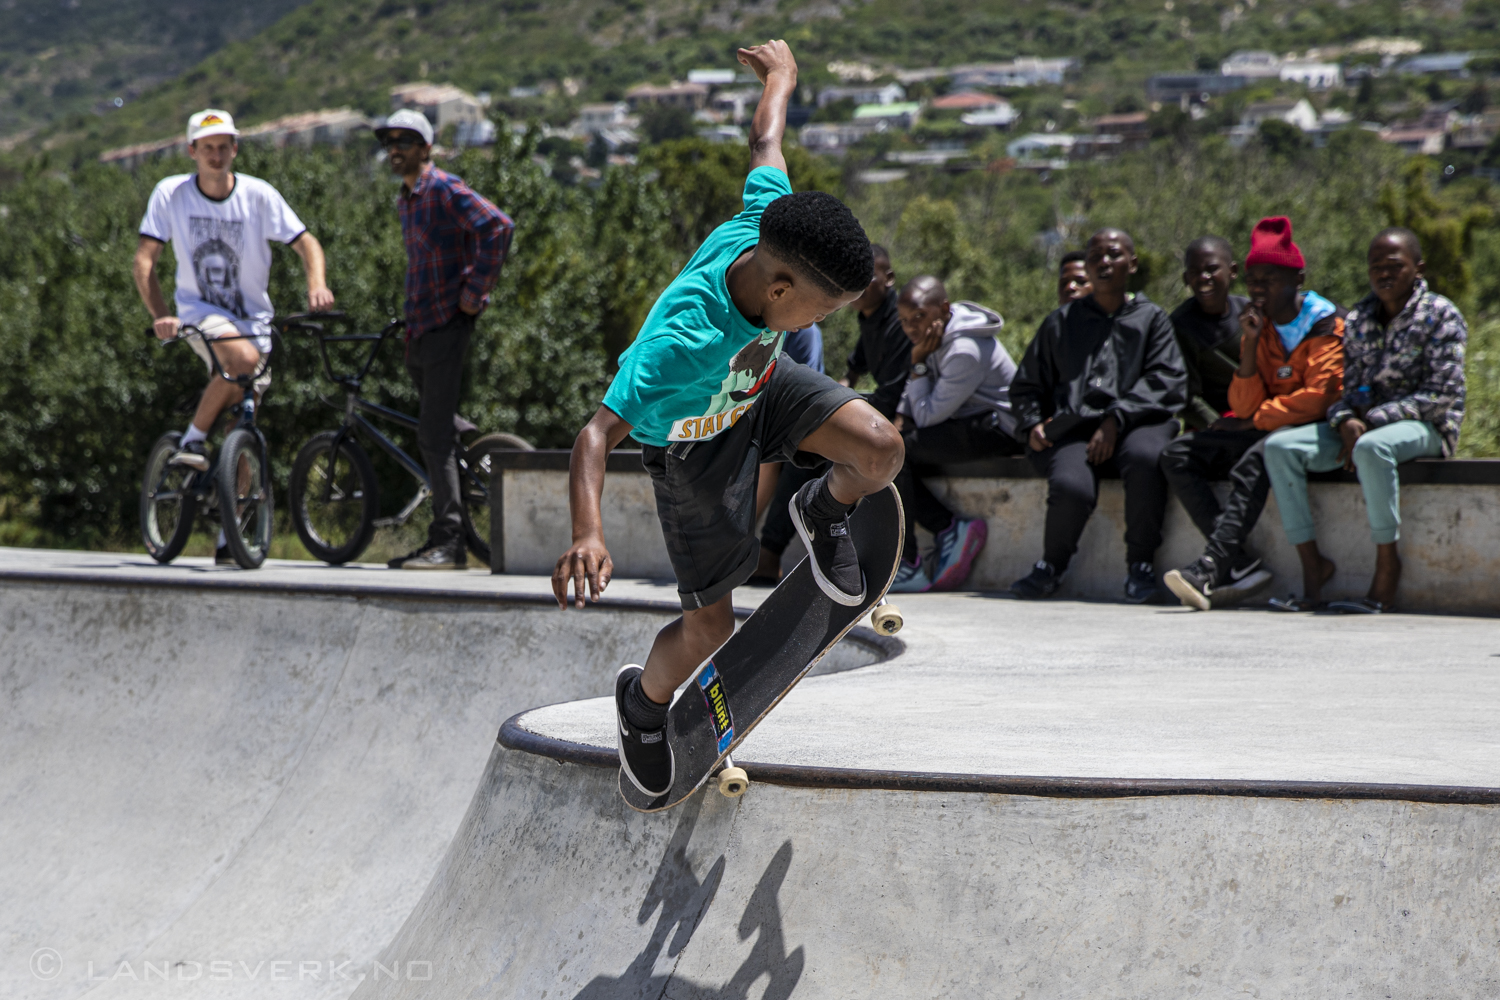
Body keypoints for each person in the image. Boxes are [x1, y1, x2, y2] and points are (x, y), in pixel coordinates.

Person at [551, 40, 902, 798]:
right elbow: (592, 435)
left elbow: (764, 141)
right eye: (824, 306)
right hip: (692, 453)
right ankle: (642, 708)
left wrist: (782, 76)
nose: (828, 318)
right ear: (780, 290)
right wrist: (588, 531)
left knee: (880, 449)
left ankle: (822, 505)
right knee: (711, 631)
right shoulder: (681, 342)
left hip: (761, 390)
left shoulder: (764, 222)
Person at [134, 109, 334, 563]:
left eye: (224, 146)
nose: (217, 155)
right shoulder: (172, 194)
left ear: (235, 150)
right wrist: (162, 315)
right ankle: (190, 441)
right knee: (238, 361)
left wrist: (316, 284)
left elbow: (306, 242)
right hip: (200, 315)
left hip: (254, 322)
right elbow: (144, 262)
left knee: (243, 431)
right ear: (193, 152)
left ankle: (230, 535)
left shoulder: (258, 196)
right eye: (208, 148)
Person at [1264, 227, 1466, 613]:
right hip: (1362, 429)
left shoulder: (1441, 315)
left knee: (1373, 448)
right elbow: (1348, 388)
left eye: (1394, 266)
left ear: (1417, 268)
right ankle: (1313, 569)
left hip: (1426, 428)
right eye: (1376, 268)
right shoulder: (1358, 318)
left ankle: (1387, 566)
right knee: (1280, 447)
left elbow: (1442, 395)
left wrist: (1370, 421)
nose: (1384, 275)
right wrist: (1343, 420)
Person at [1160, 219, 1344, 610]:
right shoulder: (1262, 325)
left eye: (1270, 279)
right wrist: (1249, 343)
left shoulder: (1325, 321)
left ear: (1298, 278)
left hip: (1315, 431)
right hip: (1270, 423)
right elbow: (1243, 405)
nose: (1258, 289)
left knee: (1257, 457)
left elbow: (1318, 399)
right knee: (1177, 454)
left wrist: (1258, 420)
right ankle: (1239, 563)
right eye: (1254, 280)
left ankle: (1210, 567)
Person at [1008, 228, 1186, 602]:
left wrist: (1116, 418)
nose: (1104, 262)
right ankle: (1051, 567)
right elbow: (1027, 384)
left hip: (1139, 423)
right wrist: (1031, 422)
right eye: (1095, 256)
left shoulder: (1151, 319)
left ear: (1132, 263)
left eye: (1114, 254)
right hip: (1076, 430)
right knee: (1071, 484)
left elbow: (1166, 379)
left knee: (1144, 457)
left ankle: (1140, 566)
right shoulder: (1062, 321)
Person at [378, 108, 515, 570]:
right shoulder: (407, 198)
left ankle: (449, 541)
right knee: (439, 425)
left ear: (426, 148)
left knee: (431, 435)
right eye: (390, 141)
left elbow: (497, 226)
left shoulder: (441, 188)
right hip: (421, 328)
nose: (395, 148)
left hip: (446, 326)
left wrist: (475, 293)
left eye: (405, 140)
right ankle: (473, 446)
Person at [889, 275, 1020, 593]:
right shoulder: (937, 335)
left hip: (998, 429)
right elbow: (916, 403)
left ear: (944, 309)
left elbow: (928, 414)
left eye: (919, 317)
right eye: (905, 321)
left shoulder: (965, 349)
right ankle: (947, 529)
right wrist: (897, 419)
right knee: (890, 448)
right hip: (967, 420)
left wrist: (918, 364)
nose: (911, 328)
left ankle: (909, 563)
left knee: (896, 454)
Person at [748, 322, 826, 585]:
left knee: (798, 457)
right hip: (762, 421)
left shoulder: (804, 330)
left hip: (801, 420)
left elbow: (805, 394)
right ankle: (746, 543)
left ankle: (765, 549)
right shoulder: (750, 330)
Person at [1169, 236, 1249, 431]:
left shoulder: (1250, 312)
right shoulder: (1181, 326)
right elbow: (1185, 395)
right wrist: (1217, 425)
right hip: (1211, 422)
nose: (1204, 277)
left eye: (1212, 269)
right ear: (1186, 279)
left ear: (1233, 271)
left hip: (1255, 411)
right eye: (1195, 272)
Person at [842, 244, 910, 421]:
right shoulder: (869, 318)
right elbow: (853, 371)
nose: (857, 284)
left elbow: (889, 399)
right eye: (850, 277)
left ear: (889, 278)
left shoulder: (902, 322)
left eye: (867, 277)